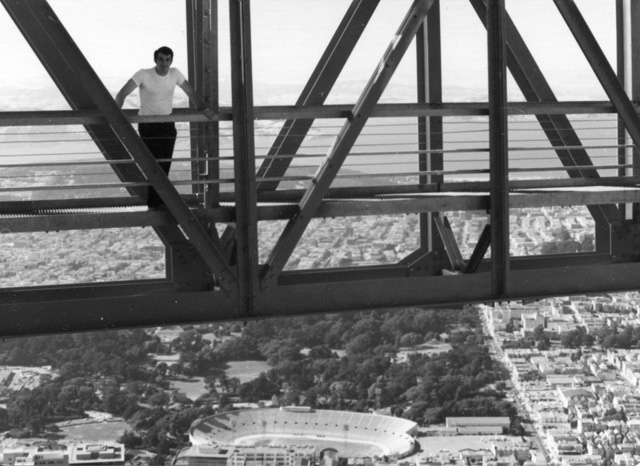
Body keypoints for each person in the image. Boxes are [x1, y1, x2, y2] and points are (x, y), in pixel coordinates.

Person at [115, 46, 213, 208]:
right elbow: (122, 94)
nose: (164, 63)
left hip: (167, 125)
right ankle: (155, 203)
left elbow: (191, 93)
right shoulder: (144, 74)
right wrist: (116, 115)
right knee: (153, 164)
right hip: (148, 126)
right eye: (161, 59)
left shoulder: (175, 73)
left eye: (168, 59)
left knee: (165, 163)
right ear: (155, 60)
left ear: (171, 61)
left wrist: (204, 108)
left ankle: (159, 201)